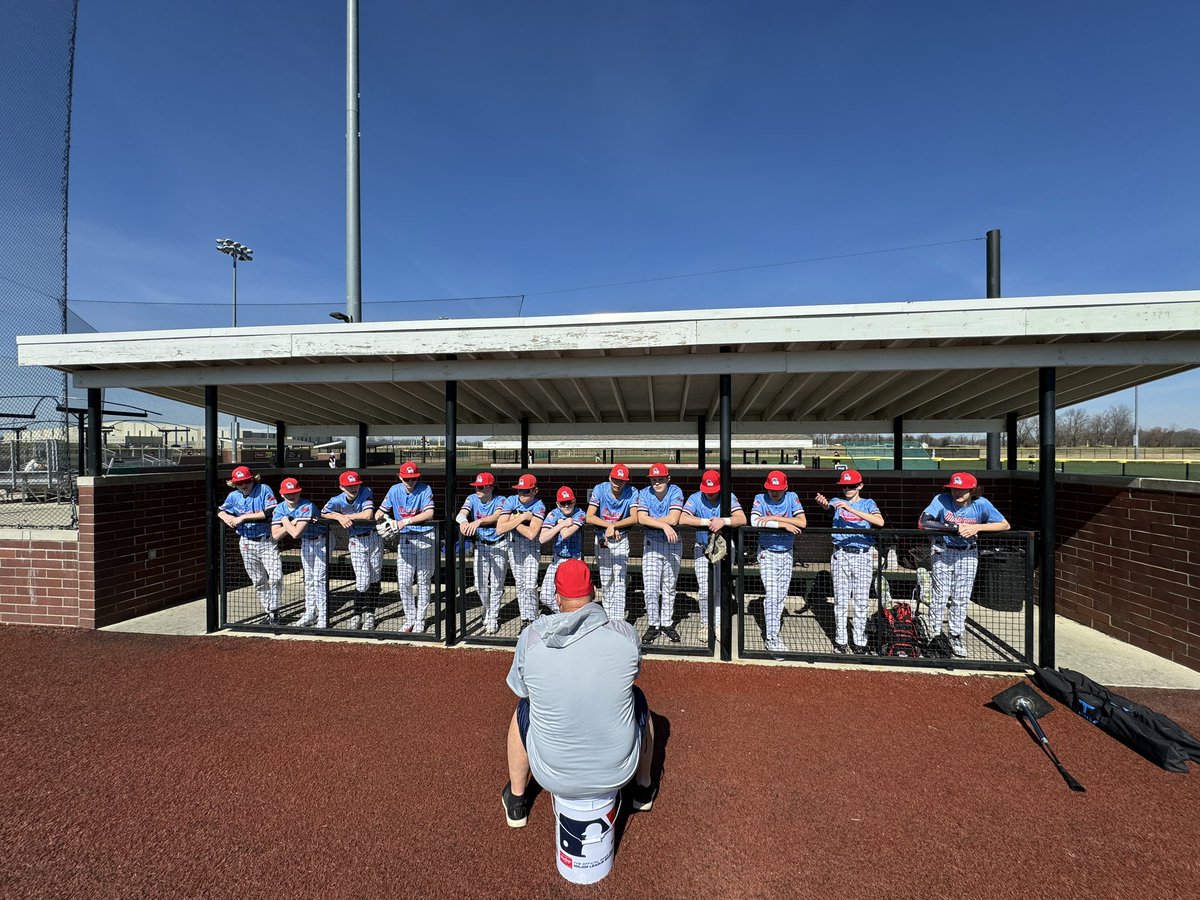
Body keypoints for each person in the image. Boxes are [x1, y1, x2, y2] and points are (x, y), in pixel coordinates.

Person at [502, 559, 657, 828]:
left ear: (556, 596)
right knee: (638, 698)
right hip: (619, 771)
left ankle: (517, 799)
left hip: (550, 774)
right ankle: (642, 788)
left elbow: (522, 689)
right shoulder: (626, 633)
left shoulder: (532, 636)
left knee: (524, 706)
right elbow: (632, 675)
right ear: (594, 591)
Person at [918, 471, 1010, 657]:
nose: (957, 493)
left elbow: (1004, 524)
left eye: (962, 490)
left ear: (972, 490)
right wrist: (955, 528)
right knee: (940, 595)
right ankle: (934, 633)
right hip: (943, 550)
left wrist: (978, 527)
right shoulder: (942, 499)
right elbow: (923, 522)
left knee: (961, 597)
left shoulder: (981, 504)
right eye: (954, 489)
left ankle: (955, 634)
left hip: (968, 553)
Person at [815, 469, 885, 654]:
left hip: (862, 554)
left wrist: (852, 509)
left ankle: (860, 641)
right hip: (841, 554)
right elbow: (828, 508)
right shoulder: (837, 501)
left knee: (861, 601)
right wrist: (823, 504)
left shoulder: (868, 503)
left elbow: (879, 522)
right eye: (844, 486)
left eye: (851, 486)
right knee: (841, 600)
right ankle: (840, 641)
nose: (847, 489)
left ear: (860, 486)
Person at [678, 469, 746, 631]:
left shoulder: (728, 496)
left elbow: (742, 518)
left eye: (713, 490)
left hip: (724, 549)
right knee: (705, 589)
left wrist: (723, 521)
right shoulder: (696, 497)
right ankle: (706, 624)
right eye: (707, 490)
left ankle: (718, 622)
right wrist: (707, 522)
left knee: (721, 587)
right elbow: (683, 517)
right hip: (702, 548)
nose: (710, 494)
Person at [750, 470, 806, 657]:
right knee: (772, 595)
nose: (774, 493)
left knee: (780, 597)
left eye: (778, 489)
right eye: (771, 489)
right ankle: (771, 637)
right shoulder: (760, 498)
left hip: (787, 552)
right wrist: (783, 525)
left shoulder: (791, 497)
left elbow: (802, 522)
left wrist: (775, 519)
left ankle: (772, 634)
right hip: (767, 552)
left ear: (785, 487)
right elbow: (755, 521)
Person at [217, 465, 282, 625]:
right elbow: (220, 510)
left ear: (252, 479)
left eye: (246, 481)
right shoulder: (234, 496)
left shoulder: (263, 489)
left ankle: (274, 609)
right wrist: (226, 518)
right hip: (246, 542)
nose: (244, 485)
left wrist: (243, 518)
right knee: (259, 580)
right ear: (234, 484)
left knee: (276, 577)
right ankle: (271, 614)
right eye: (239, 483)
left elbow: (271, 511)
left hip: (266, 540)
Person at [378, 461, 437, 633]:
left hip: (425, 535)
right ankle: (410, 617)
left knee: (423, 580)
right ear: (400, 477)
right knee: (404, 581)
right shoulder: (394, 489)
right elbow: (380, 512)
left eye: (413, 479)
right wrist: (383, 521)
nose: (410, 482)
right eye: (406, 479)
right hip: (405, 539)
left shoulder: (425, 488)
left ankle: (420, 619)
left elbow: (429, 513)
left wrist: (405, 521)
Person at [322, 470, 381, 630]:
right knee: (363, 579)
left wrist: (349, 517)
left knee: (375, 576)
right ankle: (357, 613)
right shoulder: (337, 500)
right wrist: (339, 516)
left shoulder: (366, 491)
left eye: (355, 484)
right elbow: (324, 512)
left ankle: (370, 613)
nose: (353, 488)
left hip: (373, 537)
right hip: (356, 540)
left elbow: (369, 514)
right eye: (349, 486)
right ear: (342, 487)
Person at [636, 463, 685, 644]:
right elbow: (641, 518)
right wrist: (664, 525)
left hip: (673, 543)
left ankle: (667, 623)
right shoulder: (644, 493)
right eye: (654, 479)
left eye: (660, 479)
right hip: (652, 543)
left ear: (668, 479)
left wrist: (653, 520)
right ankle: (653, 624)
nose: (657, 483)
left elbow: (674, 518)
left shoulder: (675, 491)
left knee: (669, 587)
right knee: (650, 587)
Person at [271, 477, 328, 628]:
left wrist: (285, 521)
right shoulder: (280, 508)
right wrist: (290, 522)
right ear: (281, 494)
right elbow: (275, 535)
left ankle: (323, 615)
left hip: (323, 540)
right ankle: (310, 613)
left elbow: (295, 533)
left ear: (299, 491)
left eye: (294, 493)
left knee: (319, 579)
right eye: (288, 493)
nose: (291, 496)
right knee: (308, 579)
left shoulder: (306, 505)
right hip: (307, 542)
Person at [585, 464, 639, 622]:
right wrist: (608, 526)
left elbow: (634, 517)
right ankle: (608, 617)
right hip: (603, 538)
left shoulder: (632, 491)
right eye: (615, 479)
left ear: (626, 481)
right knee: (606, 579)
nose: (617, 483)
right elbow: (590, 516)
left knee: (620, 579)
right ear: (610, 477)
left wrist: (614, 525)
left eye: (621, 480)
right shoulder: (600, 489)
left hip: (621, 538)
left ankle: (618, 619)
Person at [457, 471, 509, 635]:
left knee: (496, 584)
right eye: (476, 486)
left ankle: (493, 617)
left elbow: (497, 516)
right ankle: (488, 609)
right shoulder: (472, 499)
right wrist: (464, 521)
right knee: (479, 584)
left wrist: (478, 521)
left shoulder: (500, 500)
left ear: (490, 487)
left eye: (481, 487)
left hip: (499, 545)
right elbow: (461, 514)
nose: (478, 489)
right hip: (482, 546)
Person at [497, 473, 547, 627]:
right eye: (520, 490)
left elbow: (532, 534)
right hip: (514, 544)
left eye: (526, 490)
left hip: (531, 547)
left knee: (530, 584)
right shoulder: (511, 500)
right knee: (520, 584)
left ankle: (532, 618)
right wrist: (522, 518)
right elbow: (500, 528)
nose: (522, 494)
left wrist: (512, 521)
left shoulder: (539, 505)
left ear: (534, 490)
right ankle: (524, 619)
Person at [538, 486, 586, 614]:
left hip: (574, 560)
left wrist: (560, 525)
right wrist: (561, 523)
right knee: (545, 595)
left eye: (569, 502)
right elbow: (542, 538)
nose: (566, 506)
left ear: (574, 501)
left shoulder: (580, 513)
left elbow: (566, 534)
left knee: (574, 597)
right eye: (563, 503)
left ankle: (572, 620)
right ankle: (566, 616)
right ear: (557, 504)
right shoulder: (554, 514)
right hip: (557, 559)